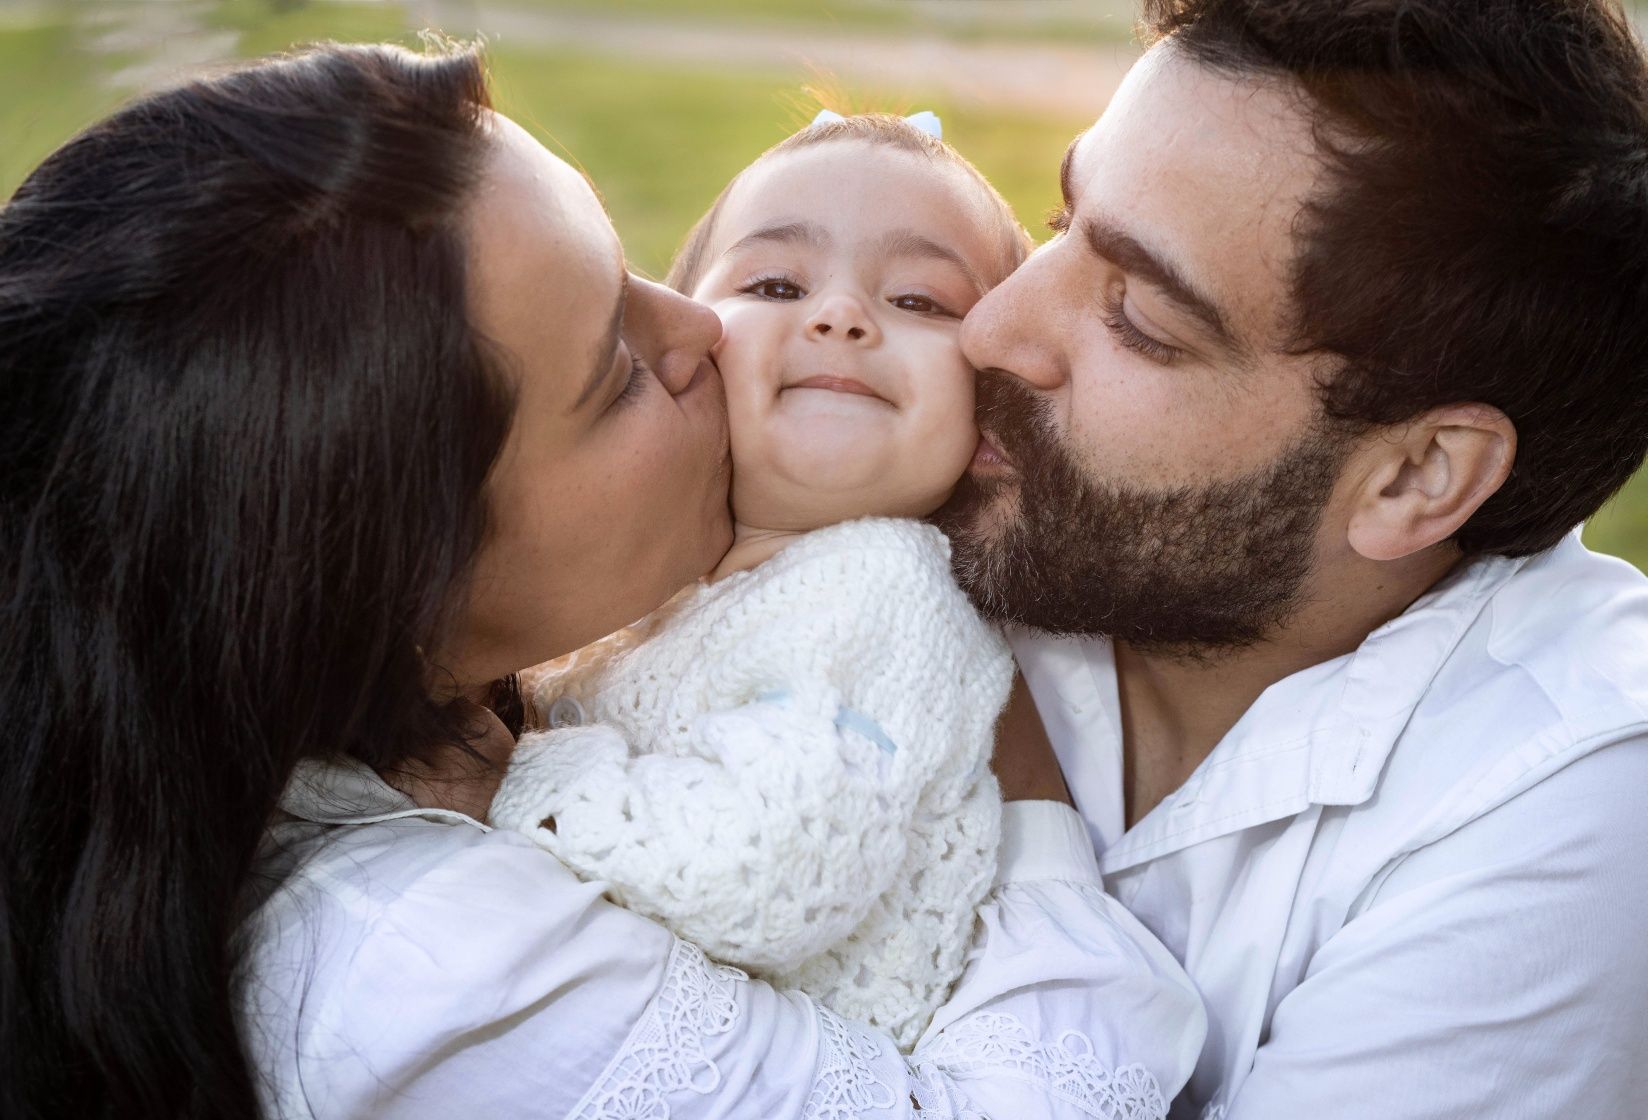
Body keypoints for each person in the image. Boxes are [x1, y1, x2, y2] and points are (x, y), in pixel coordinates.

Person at [0, 42, 1206, 1119]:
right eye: (617, 373)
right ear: (406, 594)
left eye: (631, 267)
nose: (702, 330)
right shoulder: (422, 972)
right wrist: (1034, 810)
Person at [934, 0, 1648, 1115]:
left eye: (1136, 317)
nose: (989, 330)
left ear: (1416, 475)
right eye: (1056, 218)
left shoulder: (1570, 805)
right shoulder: (970, 504)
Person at [491, 110, 1144, 1051]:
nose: (841, 316)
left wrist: (515, 776)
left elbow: (766, 877)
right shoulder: (652, 596)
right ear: (682, 353)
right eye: (776, 283)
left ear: (989, 411)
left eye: (921, 301)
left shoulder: (884, 595)